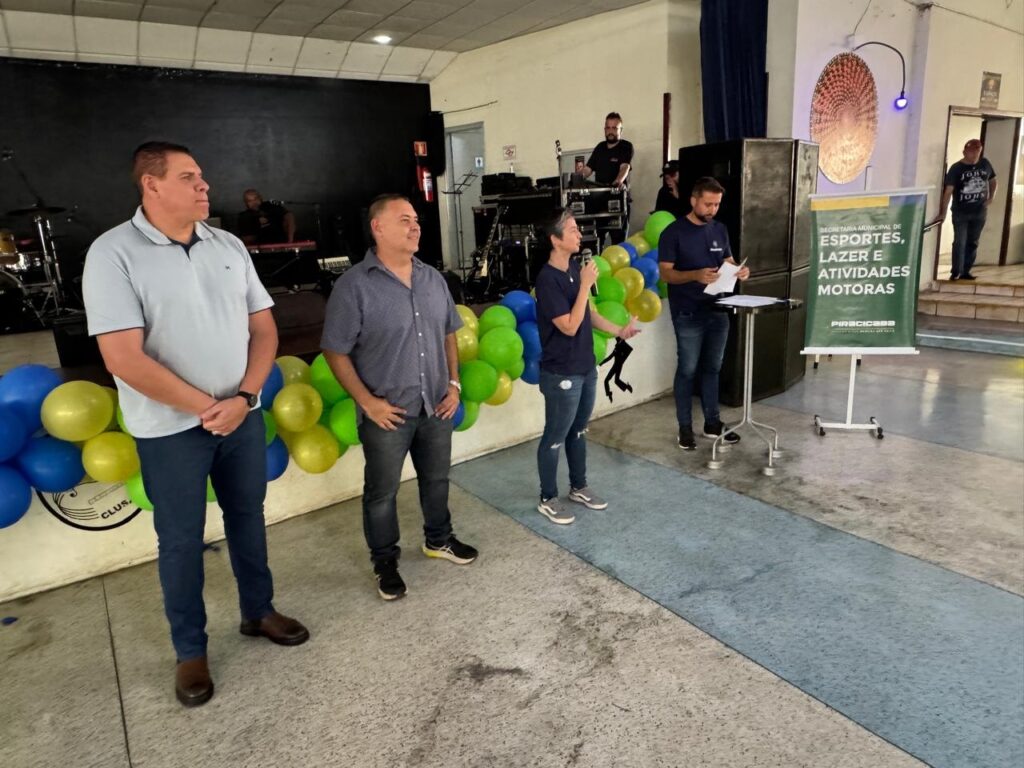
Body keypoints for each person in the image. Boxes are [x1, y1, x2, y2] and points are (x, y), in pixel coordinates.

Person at [82, 142, 308, 708]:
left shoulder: (228, 245)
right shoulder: (112, 253)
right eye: (190, 177)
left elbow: (265, 332)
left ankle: (258, 612)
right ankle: (190, 652)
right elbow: (123, 359)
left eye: (203, 176)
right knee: (180, 542)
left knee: (248, 519)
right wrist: (209, 407)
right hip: (168, 431)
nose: (206, 186)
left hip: (242, 415)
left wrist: (246, 396)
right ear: (151, 185)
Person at [321, 194, 477, 600]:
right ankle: (385, 562)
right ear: (378, 228)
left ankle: (438, 539)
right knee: (382, 493)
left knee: (437, 480)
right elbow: (335, 350)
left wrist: (455, 384)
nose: (415, 226)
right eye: (404, 219)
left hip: (436, 406)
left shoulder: (433, 279)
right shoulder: (353, 286)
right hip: (387, 413)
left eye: (416, 220)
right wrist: (366, 403)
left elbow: (448, 333)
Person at [533, 209, 640, 525]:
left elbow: (588, 314)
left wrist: (619, 330)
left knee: (578, 431)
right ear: (555, 240)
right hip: (561, 372)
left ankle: (578, 486)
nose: (579, 234)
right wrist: (583, 286)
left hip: (584, 367)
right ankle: (547, 497)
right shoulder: (548, 279)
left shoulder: (574, 269)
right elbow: (567, 325)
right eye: (573, 229)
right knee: (555, 435)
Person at [658, 177, 750, 451]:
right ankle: (684, 428)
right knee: (687, 369)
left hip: (718, 309)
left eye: (717, 204)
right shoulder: (673, 233)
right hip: (688, 311)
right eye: (708, 204)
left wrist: (740, 269)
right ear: (693, 200)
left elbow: (728, 261)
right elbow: (666, 274)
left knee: (713, 367)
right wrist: (695, 275)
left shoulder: (720, 230)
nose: (712, 209)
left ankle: (712, 423)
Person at [936, 139, 998, 280]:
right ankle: (956, 271)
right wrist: (943, 212)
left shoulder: (985, 164)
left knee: (973, 241)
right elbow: (948, 191)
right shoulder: (956, 168)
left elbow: (993, 180)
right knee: (960, 241)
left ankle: (966, 271)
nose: (974, 154)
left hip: (979, 211)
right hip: (960, 211)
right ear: (965, 151)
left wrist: (991, 197)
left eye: (977, 150)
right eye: (971, 151)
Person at [576, 112, 634, 244]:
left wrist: (618, 181)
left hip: (617, 200)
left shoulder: (626, 146)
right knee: (596, 241)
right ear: (604, 129)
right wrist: (577, 178)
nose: (611, 131)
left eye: (614, 128)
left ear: (621, 130)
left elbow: (625, 167)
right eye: (608, 128)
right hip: (599, 203)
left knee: (619, 244)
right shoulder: (600, 147)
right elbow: (588, 169)